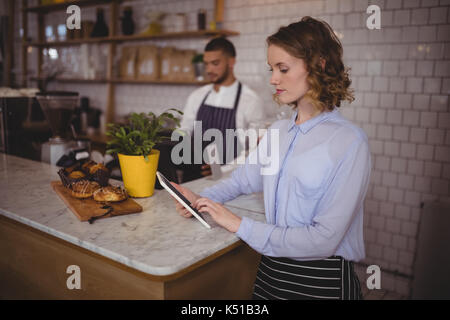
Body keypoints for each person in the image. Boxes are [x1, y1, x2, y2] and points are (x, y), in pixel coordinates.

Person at [171, 16, 371, 300]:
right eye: (271, 69)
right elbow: (240, 181)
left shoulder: (349, 142)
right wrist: (200, 199)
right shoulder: (278, 132)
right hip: (269, 275)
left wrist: (238, 224)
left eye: (283, 68)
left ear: (319, 65)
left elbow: (323, 240)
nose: (273, 79)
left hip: (321, 282)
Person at [177, 37, 266, 179]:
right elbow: (184, 131)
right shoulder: (197, 96)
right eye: (206, 64)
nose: (209, 69)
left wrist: (222, 170)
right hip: (193, 178)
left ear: (231, 62)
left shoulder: (250, 100)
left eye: (215, 63)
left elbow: (254, 150)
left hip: (230, 179)